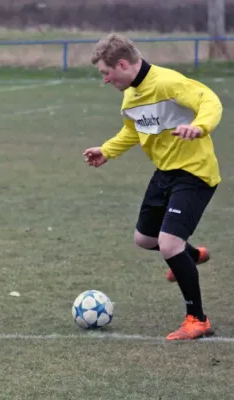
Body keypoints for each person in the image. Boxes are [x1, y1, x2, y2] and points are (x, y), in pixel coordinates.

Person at [83, 33, 222, 340]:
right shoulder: (131, 96)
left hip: (194, 173)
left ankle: (197, 319)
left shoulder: (167, 83)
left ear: (122, 64)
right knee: (145, 240)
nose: (105, 80)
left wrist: (199, 126)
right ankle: (191, 255)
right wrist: (107, 150)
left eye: (106, 73)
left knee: (169, 244)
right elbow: (133, 130)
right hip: (165, 173)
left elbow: (209, 100)